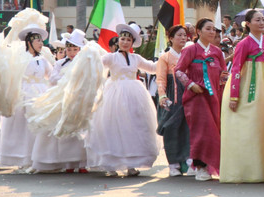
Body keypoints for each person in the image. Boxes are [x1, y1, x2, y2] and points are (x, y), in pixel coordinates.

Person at [87, 24, 160, 177]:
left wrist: (165, 59)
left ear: (132, 43)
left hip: (135, 94)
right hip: (114, 94)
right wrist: (89, 55)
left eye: (128, 40)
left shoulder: (135, 58)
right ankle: (111, 165)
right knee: (112, 127)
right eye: (122, 39)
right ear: (118, 40)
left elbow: (152, 68)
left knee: (134, 127)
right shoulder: (111, 57)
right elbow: (97, 65)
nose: (125, 42)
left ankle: (132, 165)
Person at [220, 10, 264, 183]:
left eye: (263, 19)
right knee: (250, 126)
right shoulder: (243, 44)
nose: (262, 22)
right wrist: (234, 96)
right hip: (249, 86)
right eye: (257, 20)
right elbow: (236, 69)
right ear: (247, 24)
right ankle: (247, 170)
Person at [175, 18, 228, 181]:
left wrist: (222, 87)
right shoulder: (190, 50)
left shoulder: (217, 52)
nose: (212, 32)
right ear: (198, 31)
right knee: (202, 132)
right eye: (209, 29)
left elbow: (224, 74)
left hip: (215, 97)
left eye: (214, 30)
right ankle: (200, 166)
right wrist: (191, 85)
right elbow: (178, 71)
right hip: (196, 98)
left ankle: (213, 164)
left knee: (216, 130)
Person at [31, 31, 88, 173]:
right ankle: (68, 163)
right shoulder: (59, 63)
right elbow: (52, 79)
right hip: (62, 99)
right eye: (69, 49)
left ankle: (82, 163)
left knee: (80, 131)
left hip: (79, 99)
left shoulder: (84, 63)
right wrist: (67, 78)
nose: (72, 52)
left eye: (75, 49)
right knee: (66, 132)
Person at [0, 24, 49, 170]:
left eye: (41, 41)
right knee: (25, 127)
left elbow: (51, 76)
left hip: (41, 93)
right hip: (25, 94)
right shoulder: (20, 58)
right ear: (29, 42)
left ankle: (39, 157)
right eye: (37, 41)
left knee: (39, 127)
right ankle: (25, 158)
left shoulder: (43, 60)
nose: (41, 44)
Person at [156, 25, 191, 177]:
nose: (183, 38)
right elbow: (161, 79)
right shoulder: (165, 57)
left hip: (189, 94)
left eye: (185, 35)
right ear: (170, 38)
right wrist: (162, 95)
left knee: (188, 128)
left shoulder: (189, 53)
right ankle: (173, 164)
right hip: (172, 94)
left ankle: (189, 161)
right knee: (171, 129)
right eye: (179, 35)